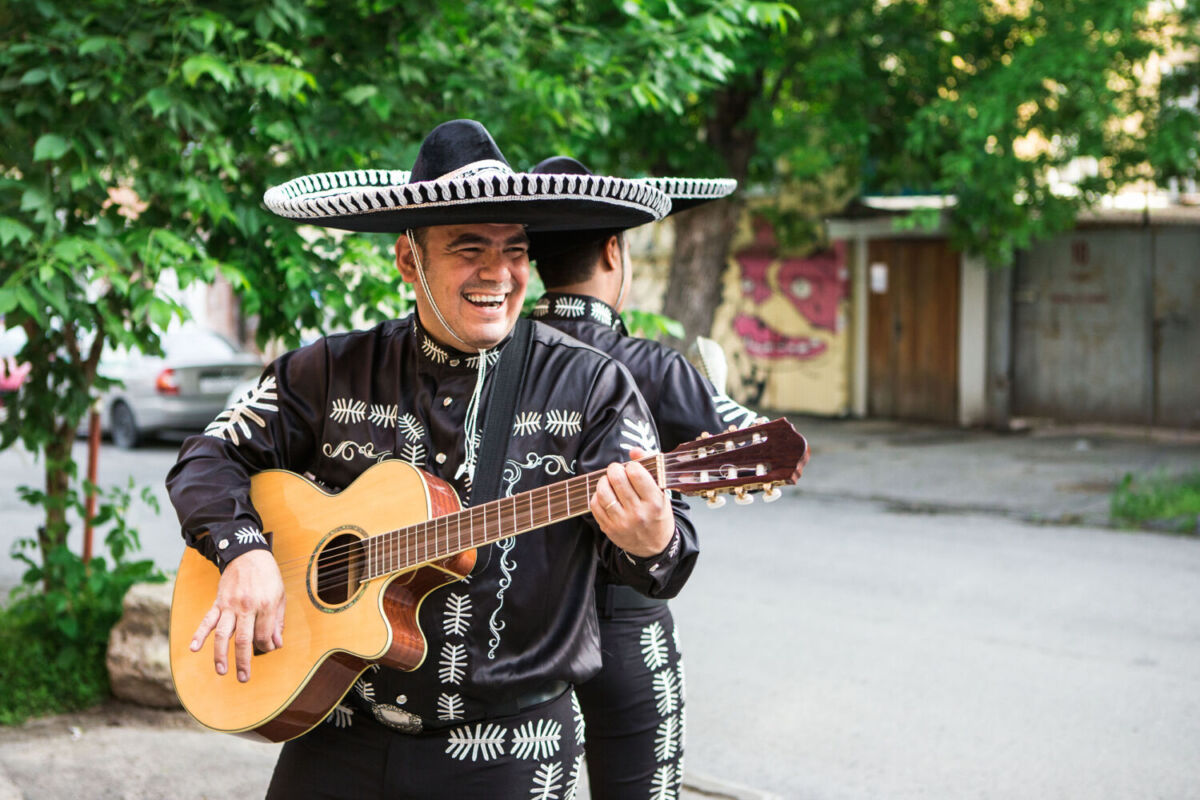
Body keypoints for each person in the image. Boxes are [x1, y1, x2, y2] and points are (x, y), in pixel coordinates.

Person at [165, 120, 698, 799]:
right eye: (468, 248)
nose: (498, 274)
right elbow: (207, 455)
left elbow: (667, 557)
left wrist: (651, 538)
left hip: (509, 748)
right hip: (340, 729)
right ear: (408, 260)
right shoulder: (330, 370)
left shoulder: (592, 386)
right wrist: (244, 551)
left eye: (514, 251)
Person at [527, 156, 765, 799]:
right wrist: (711, 389)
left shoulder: (504, 356)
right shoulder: (652, 367)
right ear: (614, 251)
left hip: (518, 621)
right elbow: (763, 438)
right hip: (626, 621)